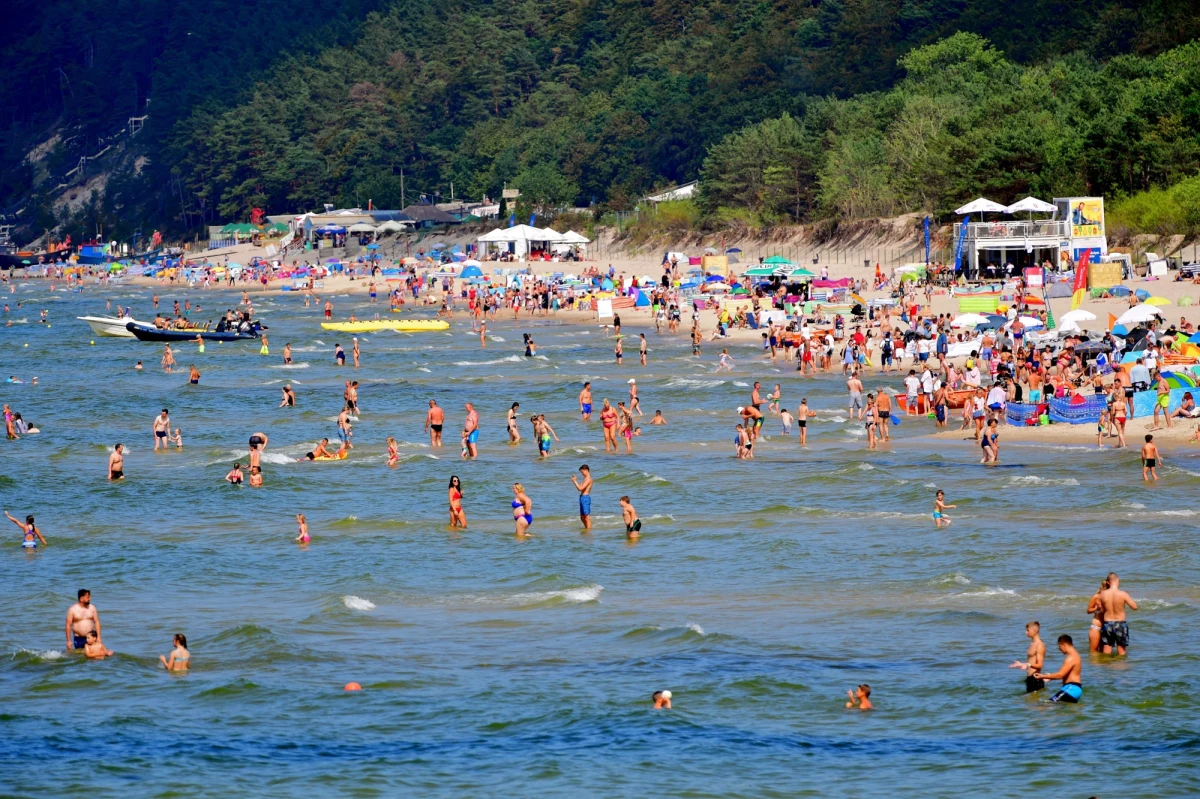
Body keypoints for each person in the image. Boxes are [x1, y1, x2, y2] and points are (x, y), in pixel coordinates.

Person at [1099, 572, 1138, 655]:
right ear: (1118, 580)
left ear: (1108, 582)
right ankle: (1120, 666)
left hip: (1107, 623)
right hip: (1120, 624)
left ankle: (1107, 667)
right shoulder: (1123, 594)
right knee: (1121, 651)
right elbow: (1134, 607)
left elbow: (1101, 610)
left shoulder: (1102, 594)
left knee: (1106, 651)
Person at [1035, 635, 1083, 704]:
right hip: (1074, 689)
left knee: (1047, 704)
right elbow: (1064, 674)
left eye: (1059, 646)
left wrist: (1042, 676)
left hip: (1071, 689)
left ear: (1064, 644)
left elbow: (1060, 675)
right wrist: (1050, 677)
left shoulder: (1071, 657)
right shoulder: (1075, 655)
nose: (1059, 649)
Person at [1009, 621, 1047, 693]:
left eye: (1028, 630)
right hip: (1029, 678)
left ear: (1034, 631)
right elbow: (1030, 662)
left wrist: (1027, 664)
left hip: (1036, 679)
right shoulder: (1032, 644)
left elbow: (1040, 665)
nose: (1026, 632)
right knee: (1029, 702)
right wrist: (1021, 664)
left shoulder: (1039, 645)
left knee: (1034, 703)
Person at [572, 465, 593, 531]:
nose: (582, 473)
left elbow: (580, 488)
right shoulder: (585, 479)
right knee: (582, 517)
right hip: (582, 497)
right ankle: (586, 528)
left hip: (585, 498)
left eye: (582, 472)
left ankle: (588, 530)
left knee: (586, 516)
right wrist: (576, 481)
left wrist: (574, 481)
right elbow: (580, 487)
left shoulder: (589, 479)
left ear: (586, 470)